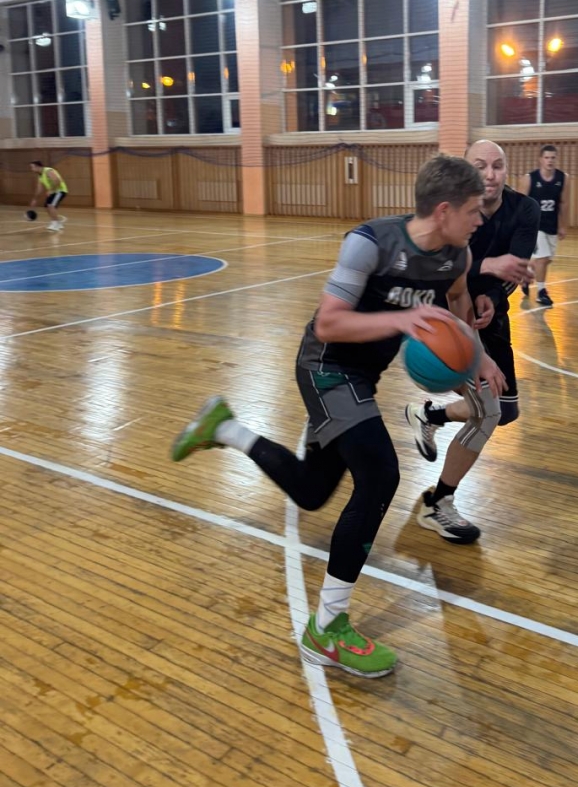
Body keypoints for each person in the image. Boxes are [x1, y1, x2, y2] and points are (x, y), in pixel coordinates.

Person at [170, 154, 505, 678]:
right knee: (381, 475)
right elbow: (328, 324)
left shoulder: (455, 255)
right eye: (472, 210)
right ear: (443, 210)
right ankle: (326, 629)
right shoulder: (370, 243)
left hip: (363, 378)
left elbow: (459, 301)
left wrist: (477, 356)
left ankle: (223, 427)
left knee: (311, 491)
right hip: (325, 368)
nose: (480, 220)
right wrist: (404, 319)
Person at [404, 140, 540, 544]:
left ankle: (431, 416)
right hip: (445, 316)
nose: (490, 175)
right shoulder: (451, 210)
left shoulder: (524, 210)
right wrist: (488, 267)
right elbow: (440, 269)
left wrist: (492, 297)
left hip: (488, 313)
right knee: (488, 412)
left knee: (506, 411)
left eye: (498, 166)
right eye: (480, 166)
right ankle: (438, 502)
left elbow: (514, 271)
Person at [517, 144, 568, 308]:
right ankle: (541, 292)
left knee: (546, 260)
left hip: (551, 225)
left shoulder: (562, 178)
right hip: (534, 226)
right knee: (543, 258)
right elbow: (519, 204)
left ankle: (527, 275)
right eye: (546, 157)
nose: (550, 161)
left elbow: (564, 203)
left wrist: (563, 225)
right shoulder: (529, 178)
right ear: (540, 159)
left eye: (553, 158)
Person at [29, 161, 68, 232]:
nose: (31, 169)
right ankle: (56, 222)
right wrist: (35, 199)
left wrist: (51, 190)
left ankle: (56, 224)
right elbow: (39, 188)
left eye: (32, 167)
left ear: (38, 166)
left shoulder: (48, 171)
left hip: (60, 190)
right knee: (47, 206)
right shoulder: (40, 176)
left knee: (51, 206)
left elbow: (57, 181)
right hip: (53, 191)